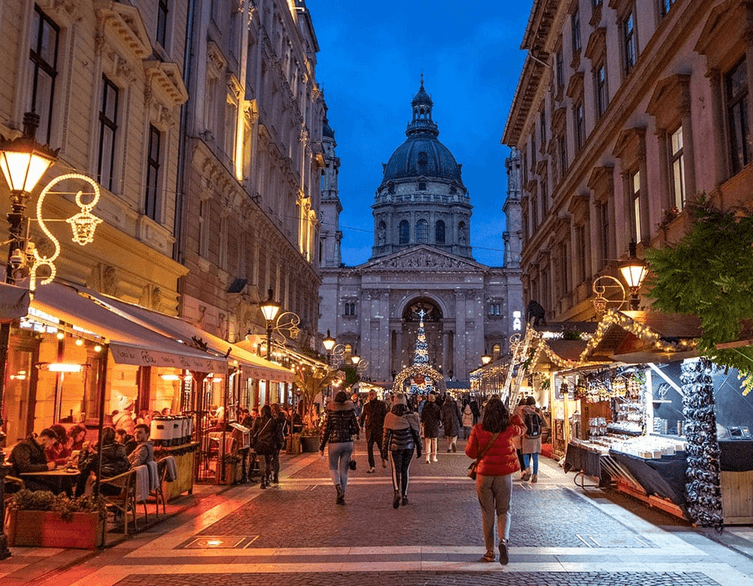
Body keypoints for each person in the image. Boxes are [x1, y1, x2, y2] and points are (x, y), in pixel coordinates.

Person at [465, 397, 525, 565]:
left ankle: (490, 551)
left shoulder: (478, 429)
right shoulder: (509, 429)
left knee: (487, 513)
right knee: (504, 510)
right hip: (504, 475)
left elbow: (470, 453)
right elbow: (523, 428)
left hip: (484, 475)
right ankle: (503, 541)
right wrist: (514, 416)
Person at [319, 391, 359, 505]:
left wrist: (321, 446)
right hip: (347, 442)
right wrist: (348, 431)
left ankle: (338, 488)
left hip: (334, 442)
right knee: (344, 471)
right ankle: (342, 495)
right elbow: (356, 428)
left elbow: (326, 430)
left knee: (332, 467)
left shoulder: (330, 411)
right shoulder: (350, 411)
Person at [381, 392, 421, 508]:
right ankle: (404, 496)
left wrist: (384, 453)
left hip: (395, 446)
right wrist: (419, 448)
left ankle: (396, 492)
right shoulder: (412, 415)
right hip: (409, 446)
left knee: (396, 470)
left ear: (394, 402)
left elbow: (385, 436)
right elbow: (416, 433)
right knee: (405, 470)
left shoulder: (389, 416)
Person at [76, 426, 131, 496]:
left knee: (83, 476)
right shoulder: (121, 449)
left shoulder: (98, 452)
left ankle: (78, 502)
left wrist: (84, 450)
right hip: (119, 488)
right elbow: (127, 465)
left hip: (103, 486)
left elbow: (82, 467)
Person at [359, 390, 388, 473]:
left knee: (380, 446)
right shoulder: (366, 406)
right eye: (370, 395)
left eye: (372, 394)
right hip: (369, 429)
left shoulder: (381, 404)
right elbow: (363, 416)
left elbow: (385, 415)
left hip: (378, 428)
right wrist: (361, 425)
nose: (371, 396)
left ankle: (384, 458)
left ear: (375, 395)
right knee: (369, 448)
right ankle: (372, 466)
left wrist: (385, 426)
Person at [251, 405, 279, 489]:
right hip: (269, 444)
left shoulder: (258, 420)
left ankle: (262, 480)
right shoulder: (273, 420)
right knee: (268, 462)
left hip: (260, 444)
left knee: (261, 462)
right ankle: (267, 479)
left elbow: (253, 432)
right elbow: (276, 432)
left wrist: (253, 443)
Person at [520, 396, 544, 482]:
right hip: (536, 438)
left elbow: (521, 423)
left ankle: (527, 470)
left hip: (526, 437)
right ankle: (535, 476)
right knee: (535, 457)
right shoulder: (538, 411)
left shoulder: (524, 411)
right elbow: (544, 423)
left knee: (525, 454)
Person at [420, 392, 441, 463]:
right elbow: (440, 417)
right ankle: (434, 456)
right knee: (434, 441)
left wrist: (422, 422)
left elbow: (423, 416)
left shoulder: (425, 407)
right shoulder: (437, 407)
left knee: (427, 441)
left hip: (427, 424)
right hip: (434, 425)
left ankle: (427, 457)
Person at [270, 403, 288, 484]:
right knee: (276, 457)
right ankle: (275, 476)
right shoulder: (283, 418)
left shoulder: (274, 419)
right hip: (281, 439)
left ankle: (272, 475)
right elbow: (284, 430)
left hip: (274, 439)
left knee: (272, 457)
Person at [512, 398, 527, 478]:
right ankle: (527, 468)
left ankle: (523, 471)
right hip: (528, 435)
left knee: (519, 453)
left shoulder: (516, 411)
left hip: (518, 435)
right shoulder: (530, 410)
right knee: (527, 453)